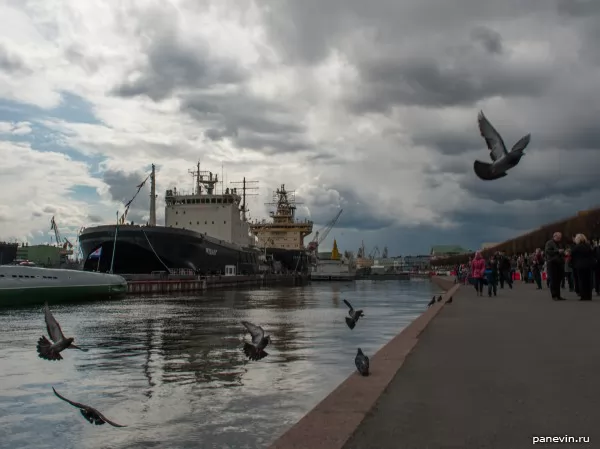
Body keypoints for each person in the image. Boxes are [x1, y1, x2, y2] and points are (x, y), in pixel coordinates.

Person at [570, 234, 595, 301]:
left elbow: (572, 255)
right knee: (588, 281)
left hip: (580, 265)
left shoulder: (576, 247)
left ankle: (583, 296)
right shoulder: (588, 246)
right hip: (588, 265)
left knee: (581, 281)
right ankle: (589, 296)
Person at [545, 232, 565, 301]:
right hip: (552, 263)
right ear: (554, 236)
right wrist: (558, 251)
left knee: (558, 279)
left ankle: (558, 295)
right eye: (558, 237)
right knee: (553, 279)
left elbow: (561, 251)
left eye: (560, 237)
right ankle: (554, 295)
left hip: (559, 263)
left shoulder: (560, 243)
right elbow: (547, 251)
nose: (560, 238)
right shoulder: (549, 243)